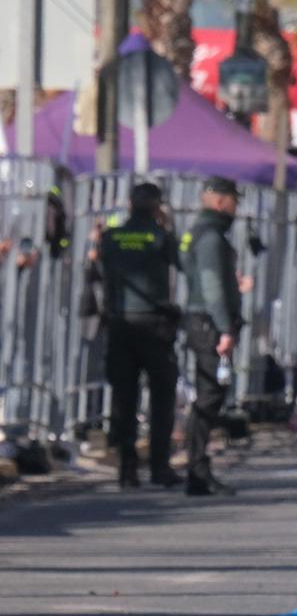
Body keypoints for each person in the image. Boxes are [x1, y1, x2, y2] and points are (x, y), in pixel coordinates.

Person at [97, 181, 182, 489]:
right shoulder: (161, 236)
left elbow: (100, 267)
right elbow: (180, 264)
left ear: (129, 205)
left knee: (124, 397)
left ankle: (127, 468)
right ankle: (159, 467)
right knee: (161, 396)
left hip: (119, 323)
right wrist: (168, 226)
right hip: (153, 324)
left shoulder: (111, 236)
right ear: (157, 207)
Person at [180, 176, 251, 497]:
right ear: (221, 201)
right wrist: (224, 328)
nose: (236, 206)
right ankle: (196, 469)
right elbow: (210, 285)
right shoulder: (210, 237)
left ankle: (197, 468)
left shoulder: (198, 232)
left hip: (203, 320)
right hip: (208, 323)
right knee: (210, 394)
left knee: (210, 394)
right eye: (234, 199)